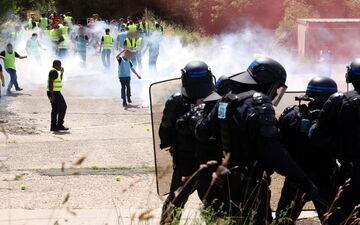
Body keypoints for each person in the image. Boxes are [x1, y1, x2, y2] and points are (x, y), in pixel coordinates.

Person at [195, 57, 318, 224]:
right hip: (251, 185)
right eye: (275, 86)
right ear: (266, 81)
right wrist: (302, 179)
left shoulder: (226, 100)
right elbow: (272, 150)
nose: (275, 92)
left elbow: (202, 133)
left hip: (225, 182)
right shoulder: (258, 103)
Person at [276, 76, 339, 225]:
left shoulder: (291, 115)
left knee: (282, 221)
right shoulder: (334, 119)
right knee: (334, 221)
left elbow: (279, 144)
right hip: (326, 179)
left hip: (296, 178)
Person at [159, 61, 215, 224]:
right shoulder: (218, 99)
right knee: (213, 203)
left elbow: (165, 132)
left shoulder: (175, 101)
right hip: (212, 161)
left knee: (175, 202)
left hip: (185, 161)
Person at [309, 59, 360, 225]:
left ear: (349, 76)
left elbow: (316, 136)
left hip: (351, 174)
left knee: (341, 218)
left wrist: (340, 144)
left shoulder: (338, 101)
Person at [47, 60, 68, 132]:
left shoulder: (56, 72)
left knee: (57, 109)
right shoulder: (53, 72)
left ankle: (56, 126)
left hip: (56, 92)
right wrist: (52, 95)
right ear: (56, 65)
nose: (61, 66)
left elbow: (59, 80)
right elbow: (50, 83)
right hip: (54, 93)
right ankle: (57, 125)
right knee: (62, 107)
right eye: (59, 65)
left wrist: (62, 73)